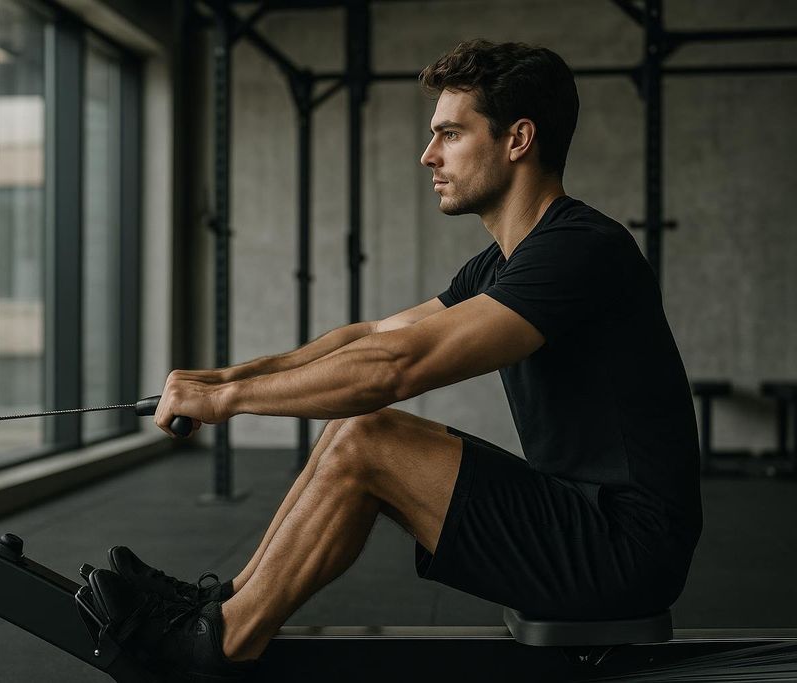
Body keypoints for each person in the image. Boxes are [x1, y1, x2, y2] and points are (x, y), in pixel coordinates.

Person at [82, 39, 703, 682]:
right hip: (582, 520)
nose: (428, 155)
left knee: (369, 435)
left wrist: (224, 403)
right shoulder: (502, 263)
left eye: (451, 134)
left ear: (518, 139)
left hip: (623, 552)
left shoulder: (581, 248)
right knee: (355, 430)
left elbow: (395, 366)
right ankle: (222, 605)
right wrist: (230, 377)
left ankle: (217, 647)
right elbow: (374, 335)